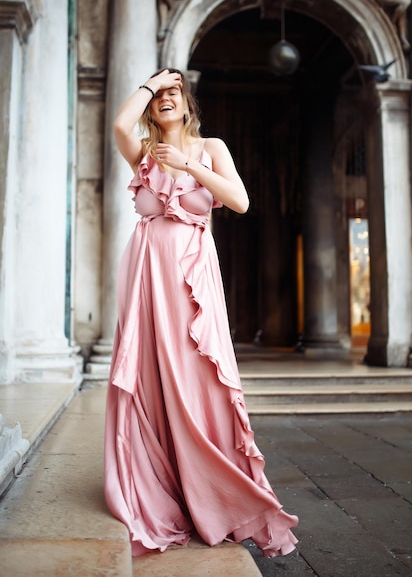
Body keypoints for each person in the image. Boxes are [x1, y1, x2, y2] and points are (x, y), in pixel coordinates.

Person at [104, 68, 299, 558]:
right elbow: (119, 126)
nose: (165, 100)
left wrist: (190, 168)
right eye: (158, 97)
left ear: (188, 106)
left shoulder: (211, 146)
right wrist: (151, 84)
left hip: (191, 279)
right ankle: (159, 479)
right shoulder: (144, 154)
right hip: (148, 279)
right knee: (151, 377)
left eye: (174, 93)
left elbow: (239, 201)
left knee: (199, 376)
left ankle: (213, 486)